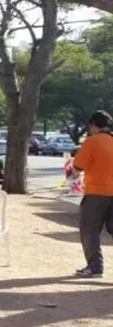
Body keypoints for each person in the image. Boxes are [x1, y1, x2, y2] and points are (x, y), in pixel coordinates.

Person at [72, 110, 113, 277]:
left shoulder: (92, 141)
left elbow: (77, 167)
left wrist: (73, 171)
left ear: (94, 125)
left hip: (97, 191)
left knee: (90, 229)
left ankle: (95, 267)